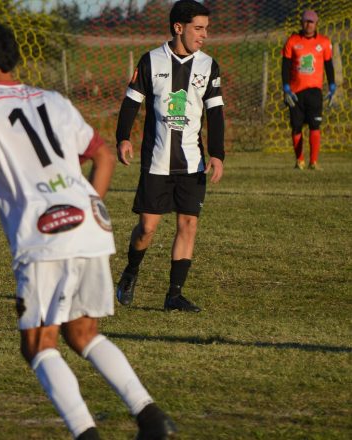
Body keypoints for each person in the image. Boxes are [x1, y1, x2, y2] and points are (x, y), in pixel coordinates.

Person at [0, 23, 177, 440]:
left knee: (38, 344)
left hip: (45, 234)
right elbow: (102, 156)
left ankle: (85, 433)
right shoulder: (53, 99)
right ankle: (152, 419)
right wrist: (92, 206)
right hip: (88, 224)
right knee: (82, 333)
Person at [114, 0, 225, 313]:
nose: (204, 35)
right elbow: (131, 102)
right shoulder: (150, 61)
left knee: (188, 224)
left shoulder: (208, 65)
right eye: (198, 28)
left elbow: (216, 113)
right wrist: (123, 137)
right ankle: (131, 271)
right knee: (147, 229)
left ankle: (174, 295)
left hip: (192, 163)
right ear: (179, 28)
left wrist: (217, 154)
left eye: (206, 29)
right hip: (157, 162)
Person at [282, 9, 336, 170]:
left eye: (311, 22)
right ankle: (300, 160)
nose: (308, 25)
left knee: (315, 125)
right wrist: (285, 87)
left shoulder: (324, 42)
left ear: (316, 24)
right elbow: (285, 66)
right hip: (295, 92)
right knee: (296, 126)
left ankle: (313, 161)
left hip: (314, 91)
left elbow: (329, 65)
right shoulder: (292, 41)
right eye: (306, 21)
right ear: (301, 23)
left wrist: (332, 85)